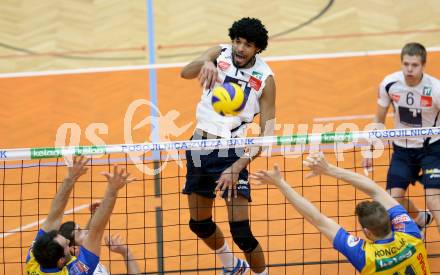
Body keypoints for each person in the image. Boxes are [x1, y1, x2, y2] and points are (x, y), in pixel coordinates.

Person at [180, 17, 275, 274]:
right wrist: (207, 62)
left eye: (248, 44)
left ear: (258, 49)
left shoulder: (264, 78)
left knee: (242, 234)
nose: (240, 48)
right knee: (199, 224)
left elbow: (267, 133)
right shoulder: (219, 52)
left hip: (232, 153)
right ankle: (232, 266)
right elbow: (185, 72)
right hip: (199, 148)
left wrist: (240, 164)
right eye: (238, 41)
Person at [251, 153, 431, 274]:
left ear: (367, 232)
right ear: (392, 221)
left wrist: (280, 183)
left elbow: (317, 219)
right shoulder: (411, 234)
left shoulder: (365, 257)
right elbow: (376, 190)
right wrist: (330, 169)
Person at [363, 42, 440, 232]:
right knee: (392, 199)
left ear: (423, 65)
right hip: (403, 150)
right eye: (406, 64)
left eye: (414, 65)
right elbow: (379, 118)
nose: (409, 69)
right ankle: (420, 219)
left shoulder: (436, 89)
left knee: (434, 200)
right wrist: (369, 148)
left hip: (432, 150)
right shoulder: (390, 84)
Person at [25, 156, 134, 274]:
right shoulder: (77, 272)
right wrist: (113, 189)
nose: (68, 242)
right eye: (66, 245)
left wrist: (70, 177)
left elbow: (54, 216)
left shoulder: (34, 262)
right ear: (61, 261)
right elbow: (96, 232)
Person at [59, 202, 140, 275]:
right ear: (74, 248)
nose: (86, 231)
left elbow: (87, 235)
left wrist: (94, 215)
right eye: (80, 231)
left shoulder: (77, 264)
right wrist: (126, 253)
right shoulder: (93, 270)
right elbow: (93, 233)